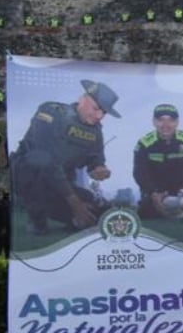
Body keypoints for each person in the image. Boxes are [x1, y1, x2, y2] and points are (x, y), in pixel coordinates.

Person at [9, 79, 120, 235]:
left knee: (98, 210)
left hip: (61, 184)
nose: (99, 116)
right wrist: (75, 203)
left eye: (104, 112)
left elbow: (96, 157)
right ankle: (37, 220)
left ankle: (74, 220)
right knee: (38, 165)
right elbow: (47, 161)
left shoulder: (95, 131)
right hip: (28, 175)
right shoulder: (51, 113)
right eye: (96, 109)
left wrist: (99, 168)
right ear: (82, 99)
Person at [132, 103, 183, 219]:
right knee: (144, 213)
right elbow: (140, 173)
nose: (166, 125)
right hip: (157, 194)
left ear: (177, 122)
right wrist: (153, 194)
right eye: (161, 120)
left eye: (171, 120)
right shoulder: (144, 144)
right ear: (154, 122)